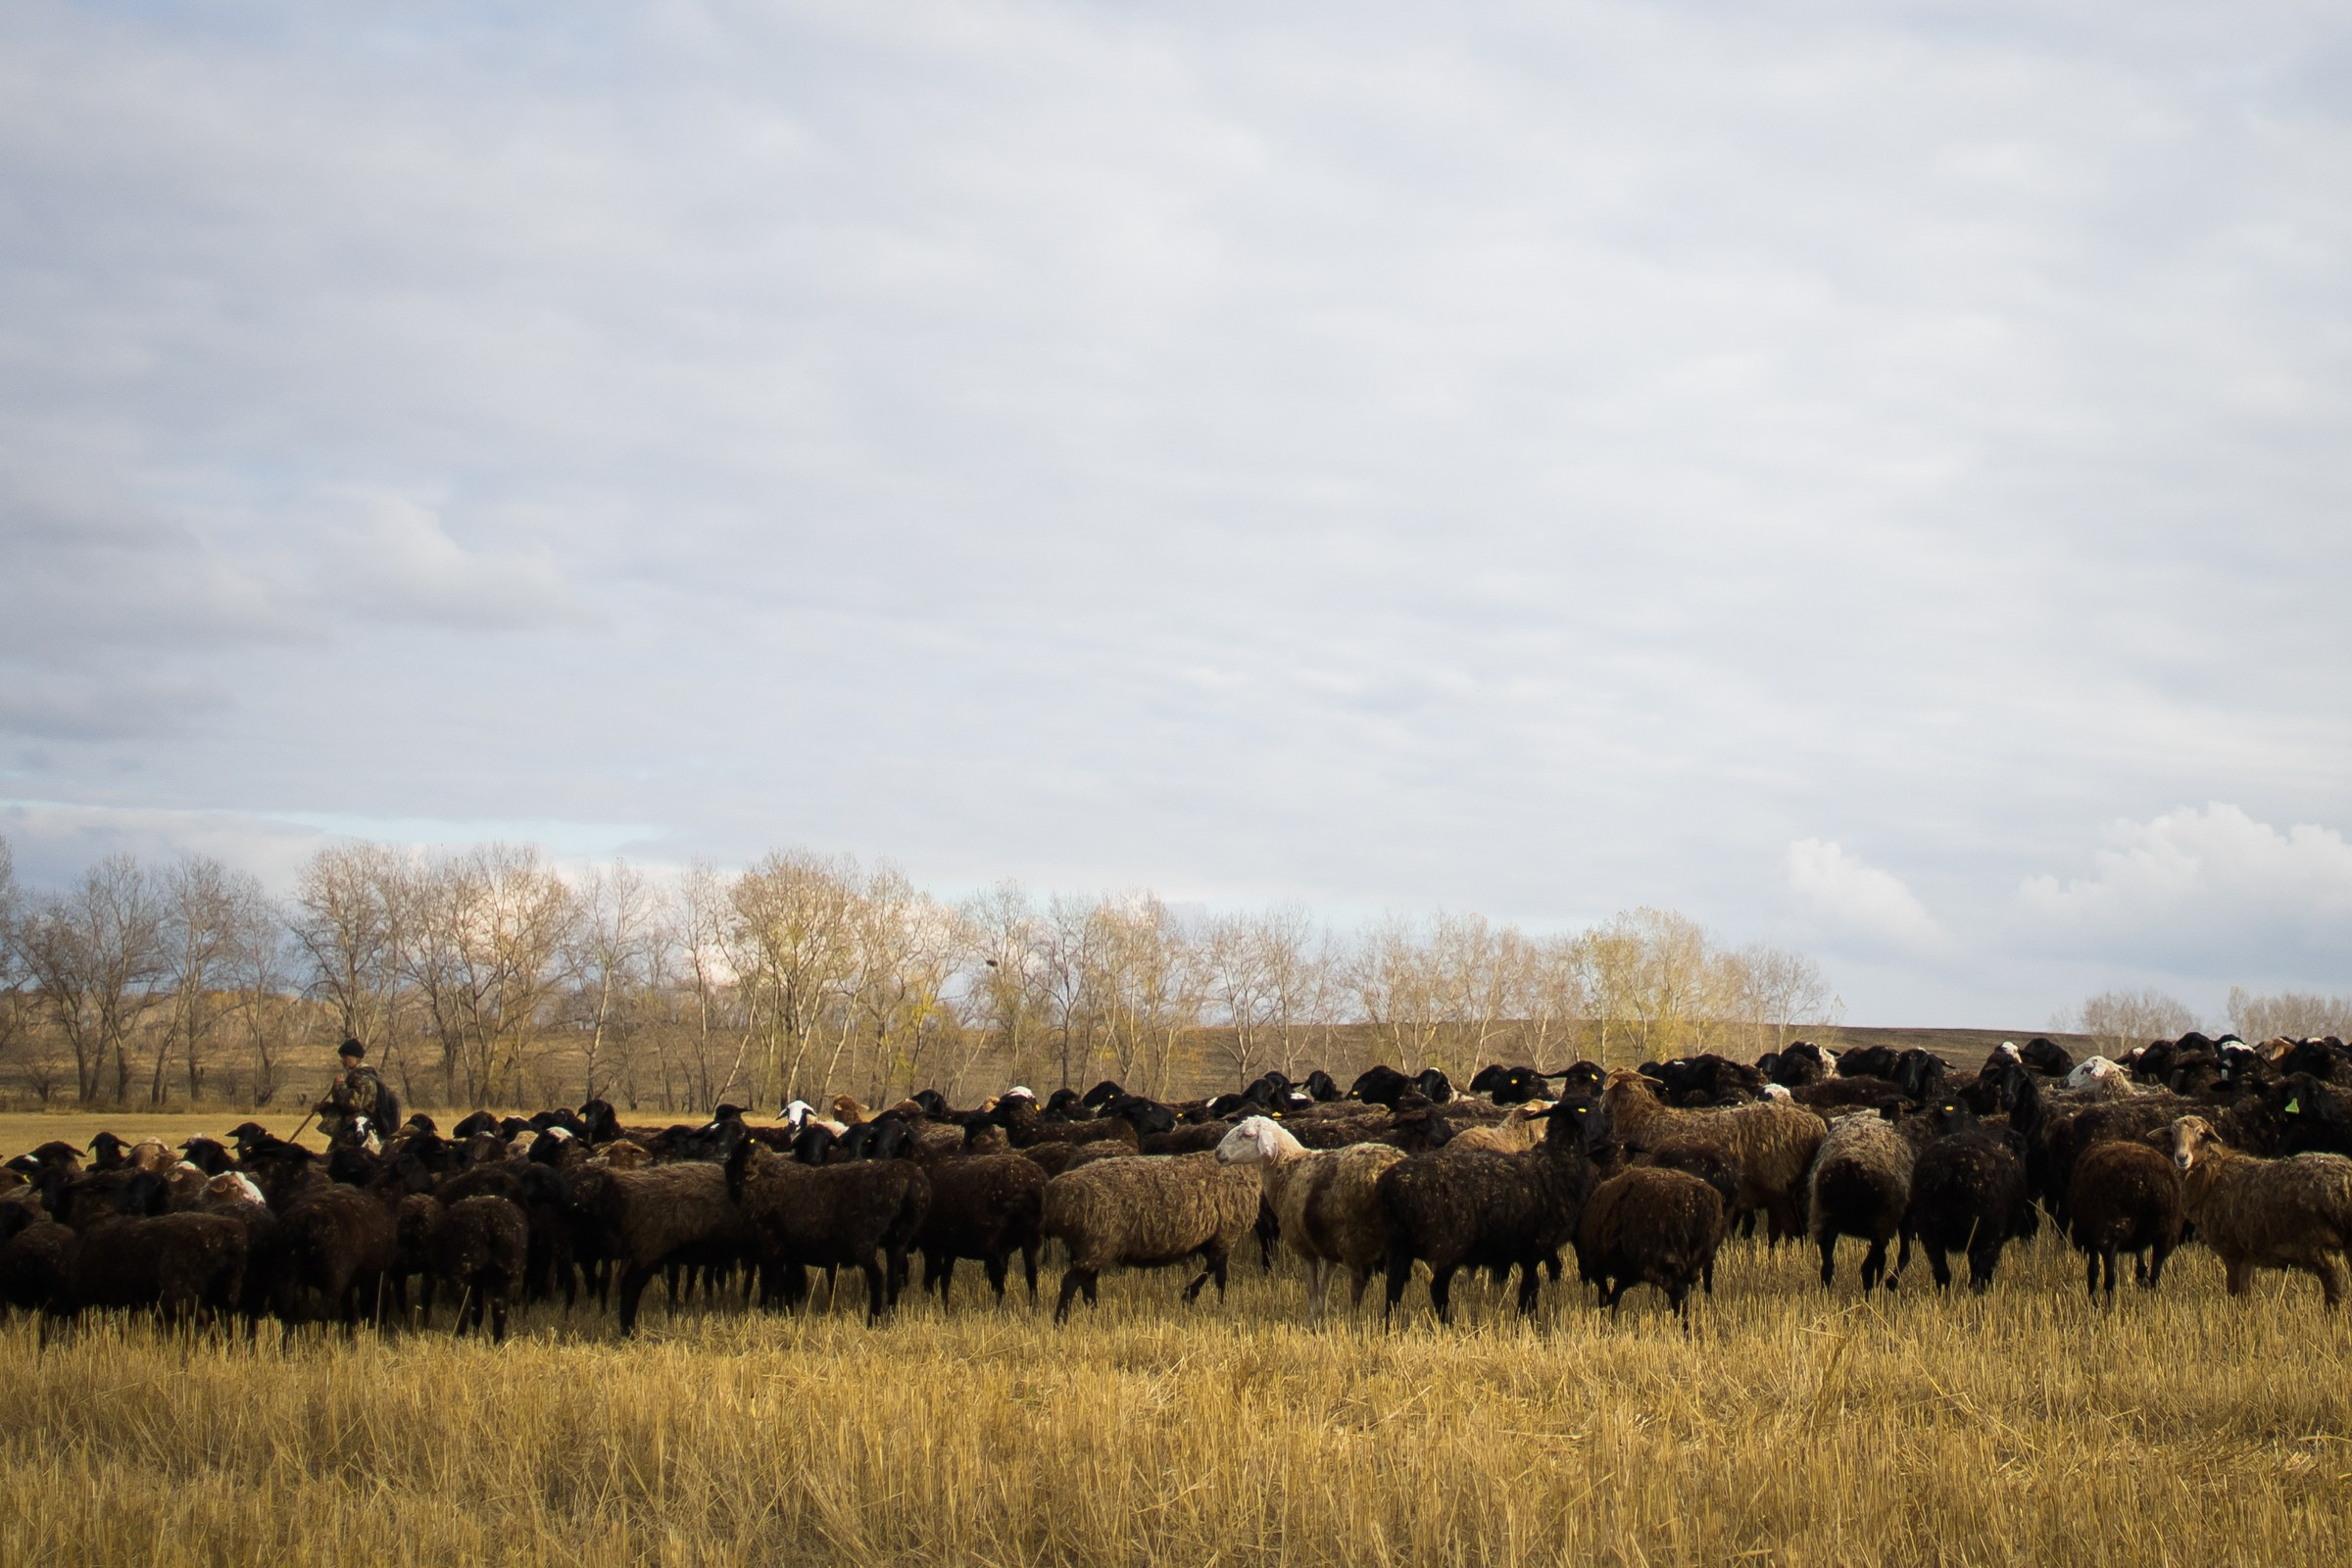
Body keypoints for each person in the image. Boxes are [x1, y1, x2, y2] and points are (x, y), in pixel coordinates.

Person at [316, 1039, 394, 1148]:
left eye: (344, 1057)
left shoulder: (364, 1078)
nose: (342, 1061)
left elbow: (355, 1104)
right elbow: (344, 1110)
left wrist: (339, 1086)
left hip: (358, 1136)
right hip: (347, 1134)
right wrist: (325, 1108)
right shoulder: (356, 1076)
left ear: (353, 1058)